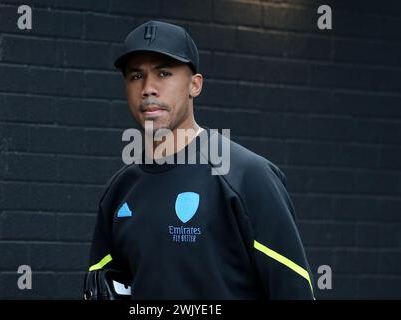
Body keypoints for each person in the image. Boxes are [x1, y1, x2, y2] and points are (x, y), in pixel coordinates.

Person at [84, 20, 315, 300]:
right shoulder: (119, 191)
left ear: (195, 85)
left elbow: (294, 291)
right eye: (136, 76)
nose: (148, 88)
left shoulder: (246, 176)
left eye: (164, 73)